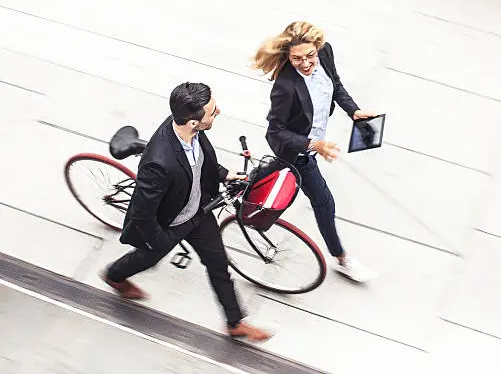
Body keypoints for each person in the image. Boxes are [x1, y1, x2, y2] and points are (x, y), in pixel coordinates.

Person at [101, 82, 270, 342]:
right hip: (170, 223)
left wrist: (224, 174)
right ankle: (114, 275)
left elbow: (202, 158)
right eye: (213, 112)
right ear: (193, 122)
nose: (218, 113)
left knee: (218, 265)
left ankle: (235, 323)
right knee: (148, 258)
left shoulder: (189, 126)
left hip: (198, 213)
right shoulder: (158, 164)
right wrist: (161, 241)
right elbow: (143, 214)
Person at [252, 21, 377, 282]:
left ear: (318, 48)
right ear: (288, 56)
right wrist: (314, 145)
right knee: (323, 201)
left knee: (270, 175)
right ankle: (342, 260)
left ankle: (245, 185)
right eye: (297, 58)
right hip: (297, 150)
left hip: (309, 142)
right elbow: (275, 131)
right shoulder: (285, 87)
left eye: (310, 55)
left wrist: (353, 111)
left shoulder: (326, 52)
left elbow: (336, 86)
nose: (306, 63)